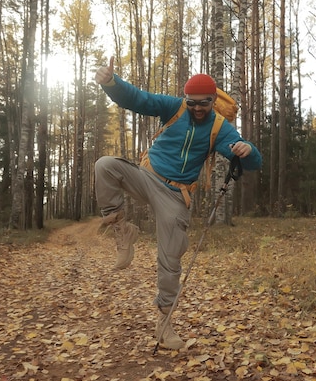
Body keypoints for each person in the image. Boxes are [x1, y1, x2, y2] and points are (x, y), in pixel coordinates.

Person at [94, 56, 262, 350]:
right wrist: (111, 83)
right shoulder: (174, 107)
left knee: (170, 259)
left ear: (212, 100)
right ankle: (122, 229)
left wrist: (247, 150)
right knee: (105, 165)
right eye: (192, 102)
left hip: (175, 195)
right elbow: (138, 99)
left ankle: (164, 320)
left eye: (203, 103)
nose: (197, 108)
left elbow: (248, 162)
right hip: (147, 176)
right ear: (186, 99)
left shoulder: (220, 128)